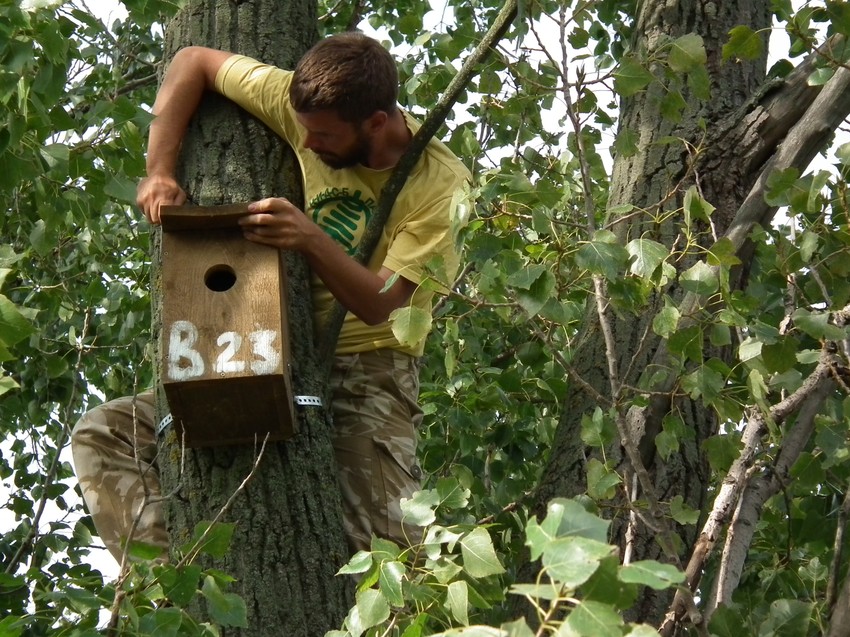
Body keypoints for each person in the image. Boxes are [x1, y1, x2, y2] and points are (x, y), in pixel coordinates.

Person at [71, 32, 471, 563]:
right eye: (304, 129)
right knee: (103, 433)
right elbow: (194, 62)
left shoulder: (438, 185)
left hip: (367, 365)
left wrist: (309, 238)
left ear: (376, 122)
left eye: (324, 136)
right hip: (266, 345)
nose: (307, 144)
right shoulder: (301, 102)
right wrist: (159, 171)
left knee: (387, 550)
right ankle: (168, 592)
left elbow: (387, 307)